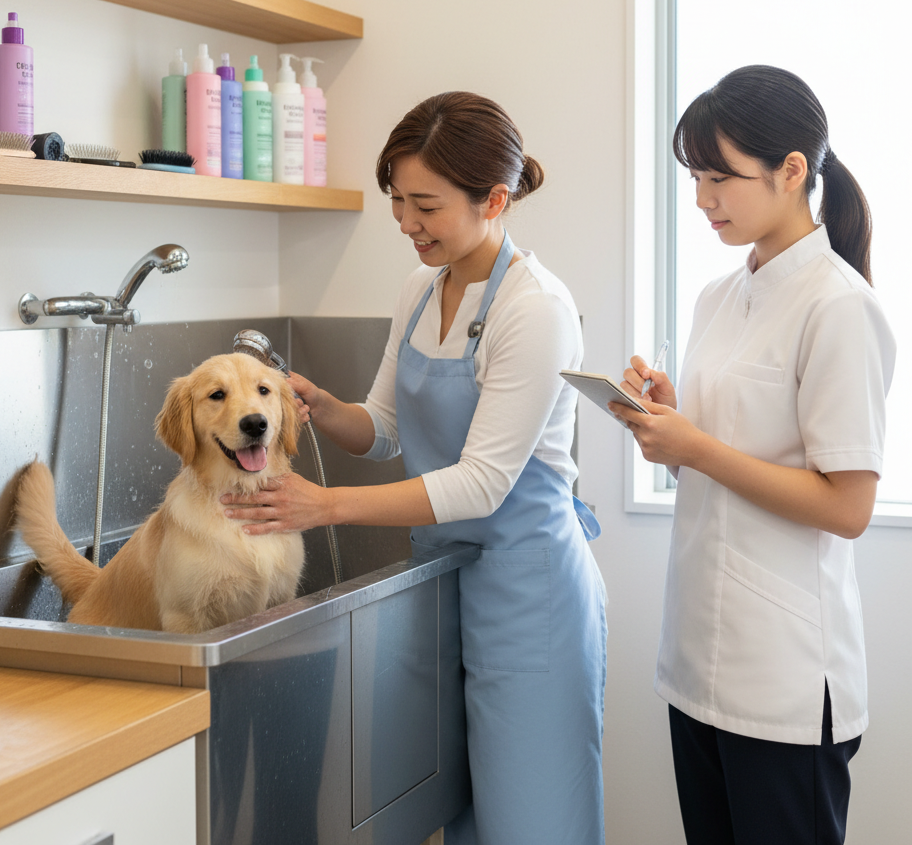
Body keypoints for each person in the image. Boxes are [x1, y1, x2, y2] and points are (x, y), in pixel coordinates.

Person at [222, 91, 607, 845]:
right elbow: (387, 428)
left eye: (424, 205)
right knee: (452, 816)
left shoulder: (537, 310)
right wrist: (324, 407)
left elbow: (481, 483)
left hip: (529, 599)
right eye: (397, 200)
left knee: (533, 824)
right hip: (440, 590)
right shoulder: (420, 289)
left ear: (494, 198)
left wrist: (324, 506)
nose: (405, 223)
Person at [612, 65, 895, 845]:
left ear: (792, 171)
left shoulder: (839, 307)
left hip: (786, 678)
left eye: (719, 177)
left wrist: (698, 446)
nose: (702, 198)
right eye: (694, 177)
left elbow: (848, 507)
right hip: (699, 659)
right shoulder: (716, 297)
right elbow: (712, 458)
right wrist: (670, 424)